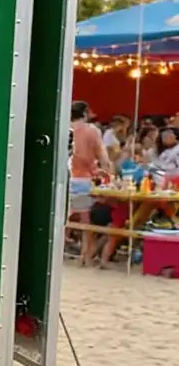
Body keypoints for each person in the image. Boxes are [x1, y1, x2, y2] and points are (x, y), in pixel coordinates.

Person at [69, 101, 108, 266]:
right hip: (83, 180)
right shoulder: (92, 131)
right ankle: (85, 256)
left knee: (65, 218)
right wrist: (105, 171)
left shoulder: (65, 128)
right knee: (86, 221)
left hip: (67, 177)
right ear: (85, 113)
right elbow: (103, 156)